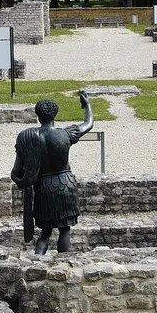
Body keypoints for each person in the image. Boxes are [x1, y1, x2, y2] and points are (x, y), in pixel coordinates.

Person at [11, 91, 94, 254]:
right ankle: (63, 264)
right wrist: (87, 105)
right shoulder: (65, 134)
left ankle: (37, 262)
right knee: (64, 230)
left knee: (45, 232)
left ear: (38, 116)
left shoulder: (27, 137)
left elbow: (16, 172)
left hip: (43, 187)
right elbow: (88, 123)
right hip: (65, 185)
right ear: (55, 115)